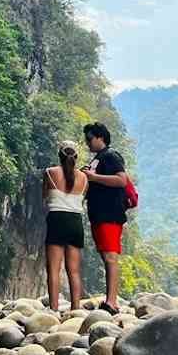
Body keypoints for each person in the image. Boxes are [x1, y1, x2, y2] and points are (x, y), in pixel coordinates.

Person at [82, 122, 128, 315]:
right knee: (106, 256)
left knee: (110, 257)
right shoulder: (98, 158)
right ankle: (110, 299)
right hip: (99, 214)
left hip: (110, 214)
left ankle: (111, 301)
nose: (88, 143)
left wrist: (94, 177)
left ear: (101, 137)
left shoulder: (111, 156)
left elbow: (122, 180)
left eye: (90, 139)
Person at [43, 140, 87, 311]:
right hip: (76, 222)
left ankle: (54, 309)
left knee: (53, 269)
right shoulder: (84, 178)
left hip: (56, 219)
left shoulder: (49, 172)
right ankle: (75, 309)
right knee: (74, 270)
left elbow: (44, 197)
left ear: (59, 155)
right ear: (76, 156)